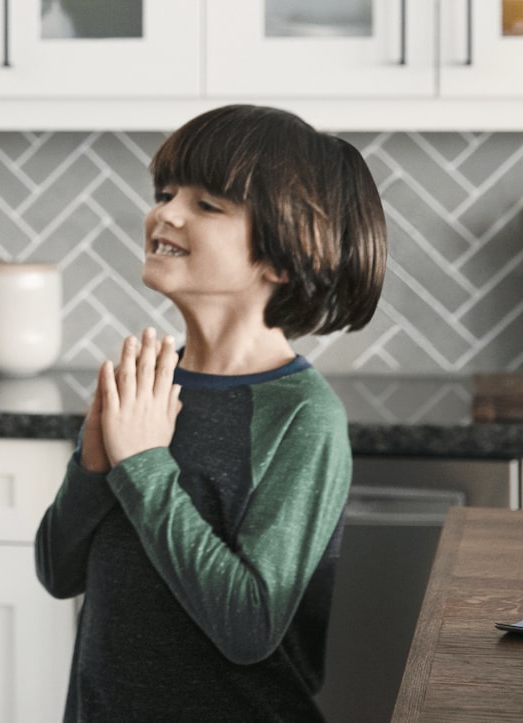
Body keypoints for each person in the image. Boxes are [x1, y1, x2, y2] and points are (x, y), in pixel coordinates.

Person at [33, 104, 386, 722]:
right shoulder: (150, 382)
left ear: (283, 255)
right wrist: (93, 461)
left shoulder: (301, 416)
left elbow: (249, 625)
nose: (164, 212)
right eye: (167, 192)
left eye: (208, 205)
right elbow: (58, 572)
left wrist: (143, 464)